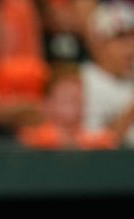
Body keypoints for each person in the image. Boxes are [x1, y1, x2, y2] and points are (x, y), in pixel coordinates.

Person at [20, 64, 119, 148]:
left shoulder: (95, 141)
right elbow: (34, 138)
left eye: (78, 100)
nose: (74, 106)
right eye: (66, 99)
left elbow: (107, 139)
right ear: (47, 104)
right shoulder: (33, 138)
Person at [81, 0, 134, 146]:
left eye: (133, 38)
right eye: (121, 39)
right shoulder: (83, 82)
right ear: (98, 43)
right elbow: (93, 145)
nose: (130, 48)